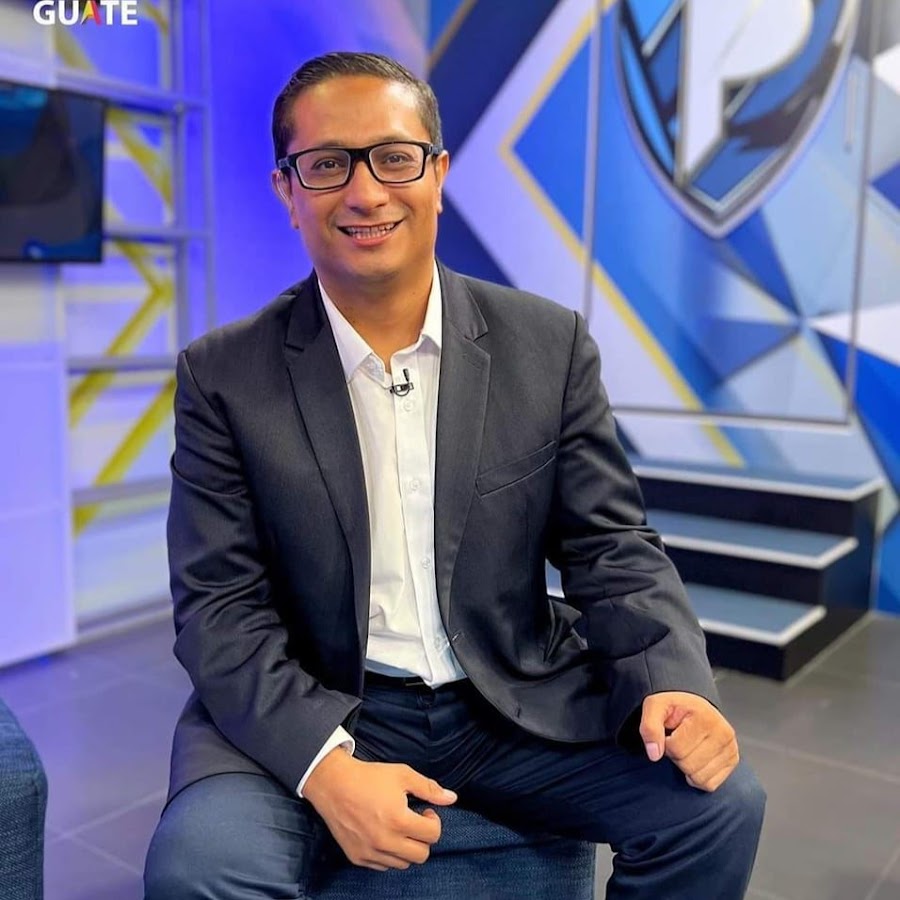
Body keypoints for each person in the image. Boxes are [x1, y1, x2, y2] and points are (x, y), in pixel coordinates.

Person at [144, 51, 765, 899]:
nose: (366, 193)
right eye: (326, 166)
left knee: (719, 807)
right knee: (201, 868)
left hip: (508, 694)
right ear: (288, 191)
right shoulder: (224, 374)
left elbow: (612, 545)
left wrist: (676, 683)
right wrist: (324, 766)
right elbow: (218, 605)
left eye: (394, 158)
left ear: (437, 174)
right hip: (320, 694)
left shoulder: (547, 344)